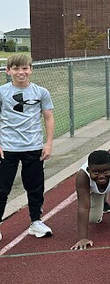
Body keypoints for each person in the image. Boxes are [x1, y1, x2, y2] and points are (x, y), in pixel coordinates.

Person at [0, 54, 55, 239]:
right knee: (2, 188)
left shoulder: (41, 92)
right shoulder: (2, 92)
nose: (20, 72)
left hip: (33, 147)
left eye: (24, 68)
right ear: (8, 71)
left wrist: (48, 143)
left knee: (35, 187)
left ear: (31, 70)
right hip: (8, 148)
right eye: (16, 69)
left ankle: (35, 222)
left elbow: (48, 118)